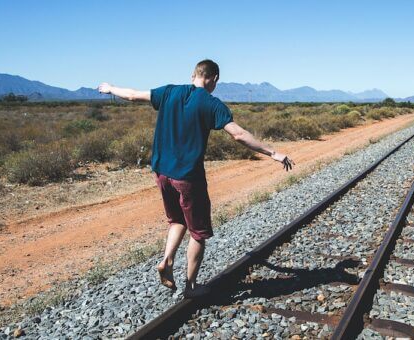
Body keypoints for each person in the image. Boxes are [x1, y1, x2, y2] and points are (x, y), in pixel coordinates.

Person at [97, 59, 293, 297]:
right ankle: (191, 287)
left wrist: (110, 88)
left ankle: (167, 261)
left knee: (176, 221)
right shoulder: (212, 104)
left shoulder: (169, 92)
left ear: (193, 75)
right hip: (188, 176)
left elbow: (131, 95)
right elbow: (239, 135)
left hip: (161, 173)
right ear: (214, 79)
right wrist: (273, 153)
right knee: (198, 233)